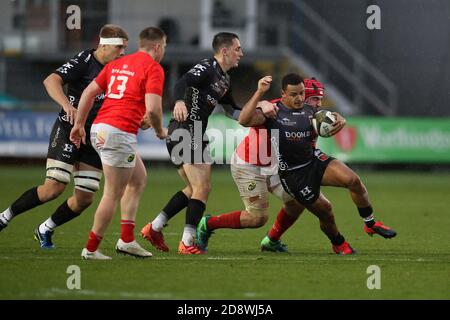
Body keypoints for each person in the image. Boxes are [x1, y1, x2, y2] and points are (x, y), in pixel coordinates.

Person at [0, 25, 128, 249]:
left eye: (125, 48)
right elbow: (51, 80)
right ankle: (4, 217)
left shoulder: (119, 69)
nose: (123, 53)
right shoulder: (84, 61)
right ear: (104, 45)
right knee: (53, 188)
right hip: (69, 129)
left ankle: (45, 228)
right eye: (119, 47)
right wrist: (66, 105)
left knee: (85, 198)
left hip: (94, 135)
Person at [239, 73, 396, 255]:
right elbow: (245, 118)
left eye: (303, 94)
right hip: (293, 174)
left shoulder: (311, 110)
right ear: (284, 94)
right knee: (326, 212)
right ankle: (338, 243)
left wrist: (339, 119)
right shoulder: (273, 112)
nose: (301, 99)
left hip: (313, 160)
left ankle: (370, 223)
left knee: (353, 180)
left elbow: (330, 117)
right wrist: (260, 98)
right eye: (295, 94)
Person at [140, 32, 246, 255]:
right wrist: (179, 101)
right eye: (237, 49)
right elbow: (182, 82)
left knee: (193, 189)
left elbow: (232, 111)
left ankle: (155, 227)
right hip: (186, 129)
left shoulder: (225, 79)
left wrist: (257, 114)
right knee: (202, 187)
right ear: (224, 51)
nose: (241, 54)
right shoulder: (207, 67)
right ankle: (187, 242)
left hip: (191, 132)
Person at [70, 26, 167, 260]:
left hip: (101, 127)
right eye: (164, 46)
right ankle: (91, 249)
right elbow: (153, 109)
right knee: (113, 193)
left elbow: (88, 93)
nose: (164, 51)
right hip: (118, 132)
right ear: (157, 47)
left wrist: (79, 124)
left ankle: (126, 239)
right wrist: (159, 129)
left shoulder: (116, 64)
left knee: (138, 178)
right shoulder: (153, 68)